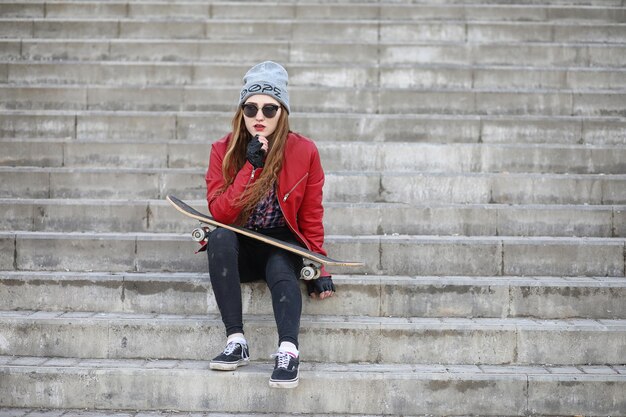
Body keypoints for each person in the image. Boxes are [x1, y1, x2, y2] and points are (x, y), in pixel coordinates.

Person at [204, 61, 336, 389]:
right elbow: (220, 212)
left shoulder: (304, 151)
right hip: (241, 244)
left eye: (269, 108)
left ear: (283, 112)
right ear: (241, 112)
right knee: (219, 238)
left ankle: (288, 351)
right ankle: (236, 341)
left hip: (281, 242)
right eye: (251, 108)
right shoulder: (223, 150)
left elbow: (310, 215)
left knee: (280, 266)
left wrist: (320, 267)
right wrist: (251, 166)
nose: (259, 116)